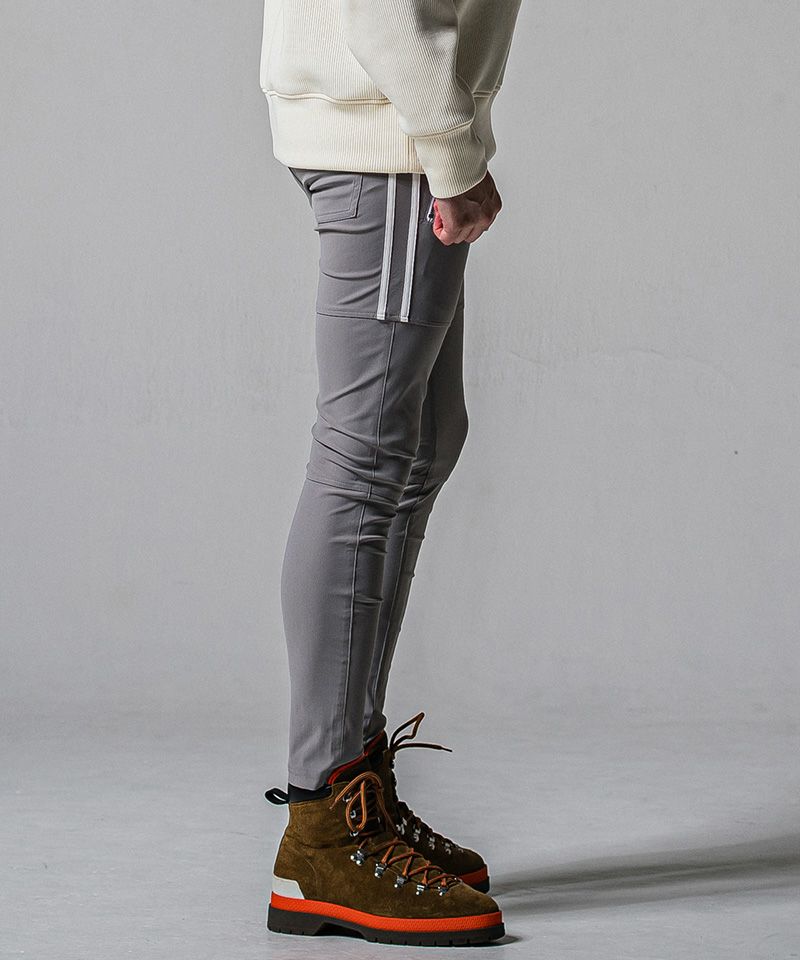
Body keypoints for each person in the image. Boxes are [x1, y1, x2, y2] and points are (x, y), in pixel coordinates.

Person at [259, 0, 523, 946]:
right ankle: (325, 825)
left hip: (394, 124)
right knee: (366, 458)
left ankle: (353, 778)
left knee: (421, 442)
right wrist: (449, 146)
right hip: (389, 132)